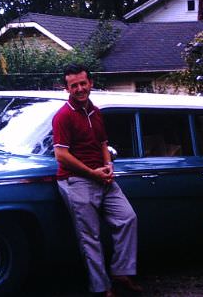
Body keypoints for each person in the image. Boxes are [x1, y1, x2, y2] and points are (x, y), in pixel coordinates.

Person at [53, 63, 143, 297]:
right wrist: (92, 173)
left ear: (91, 83)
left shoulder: (95, 111)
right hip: (76, 181)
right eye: (74, 85)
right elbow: (61, 155)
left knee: (127, 218)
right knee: (89, 236)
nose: (80, 88)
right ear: (67, 89)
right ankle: (102, 288)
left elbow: (103, 144)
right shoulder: (63, 116)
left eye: (83, 83)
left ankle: (121, 271)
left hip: (102, 177)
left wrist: (108, 165)